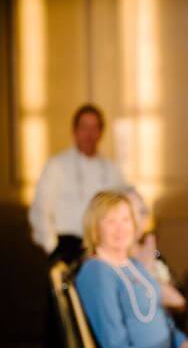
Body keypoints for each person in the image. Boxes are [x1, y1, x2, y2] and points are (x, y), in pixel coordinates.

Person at [76, 191, 188, 348]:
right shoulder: (97, 272)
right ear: (95, 227)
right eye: (110, 221)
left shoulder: (134, 266)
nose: (120, 228)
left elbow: (165, 322)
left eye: (126, 219)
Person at [29, 104, 126, 263]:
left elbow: (126, 202)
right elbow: (40, 209)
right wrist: (52, 247)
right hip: (66, 248)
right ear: (74, 131)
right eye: (84, 127)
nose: (89, 134)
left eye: (94, 128)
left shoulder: (112, 169)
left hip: (103, 249)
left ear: (101, 132)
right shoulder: (57, 165)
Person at [124, 186, 187, 310]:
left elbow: (180, 303)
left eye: (142, 212)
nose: (138, 220)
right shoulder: (116, 260)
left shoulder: (150, 251)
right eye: (129, 213)